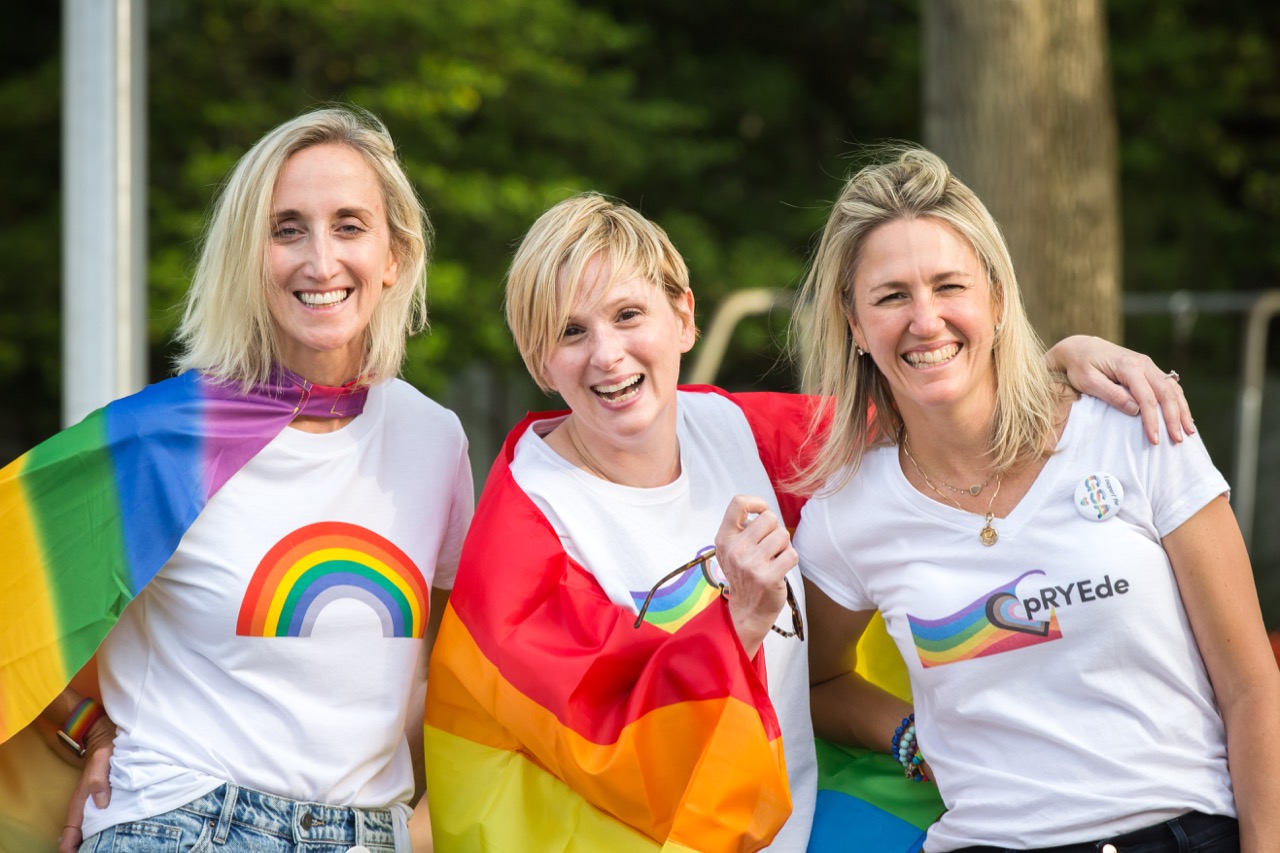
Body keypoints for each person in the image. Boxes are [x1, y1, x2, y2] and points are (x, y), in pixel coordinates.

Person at [421, 191, 1194, 852]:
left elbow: (937, 403)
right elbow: (604, 740)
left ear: (683, 317)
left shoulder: (742, 435)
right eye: (570, 332)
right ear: (535, 356)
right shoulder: (523, 530)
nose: (608, 355)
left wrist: (1061, 363)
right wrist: (739, 627)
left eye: (629, 314)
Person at [0, 105, 473, 853]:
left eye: (349, 225)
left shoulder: (433, 440)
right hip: (181, 820)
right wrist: (83, 728)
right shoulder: (158, 437)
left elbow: (441, 679)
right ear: (249, 257)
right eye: (287, 229)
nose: (320, 261)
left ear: (394, 255)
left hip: (368, 834)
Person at [792, 146, 1280, 852]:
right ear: (854, 323)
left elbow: (1252, 687)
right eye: (892, 295)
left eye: (948, 285)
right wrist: (904, 734)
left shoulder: (1135, 428)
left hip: (1179, 831)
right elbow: (809, 679)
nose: (925, 320)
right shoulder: (848, 514)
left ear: (995, 296)